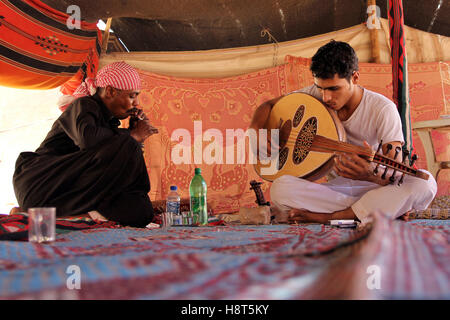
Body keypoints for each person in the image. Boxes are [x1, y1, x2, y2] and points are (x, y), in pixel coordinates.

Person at [250, 40, 437, 224]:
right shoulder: (314, 96)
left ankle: (329, 217)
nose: (326, 97)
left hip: (374, 185)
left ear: (355, 78)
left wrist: (369, 175)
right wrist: (255, 130)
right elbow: (269, 105)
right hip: (336, 189)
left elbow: (395, 172)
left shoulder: (382, 109)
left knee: (425, 184)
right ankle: (381, 209)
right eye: (320, 88)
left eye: (334, 89)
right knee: (280, 189)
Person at [13, 61, 158, 227]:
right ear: (110, 91)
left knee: (141, 209)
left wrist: (131, 134)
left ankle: (70, 218)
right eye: (132, 96)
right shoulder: (84, 105)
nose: (136, 103)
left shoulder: (109, 124)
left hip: (69, 193)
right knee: (128, 144)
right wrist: (133, 135)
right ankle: (49, 214)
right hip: (42, 184)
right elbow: (88, 140)